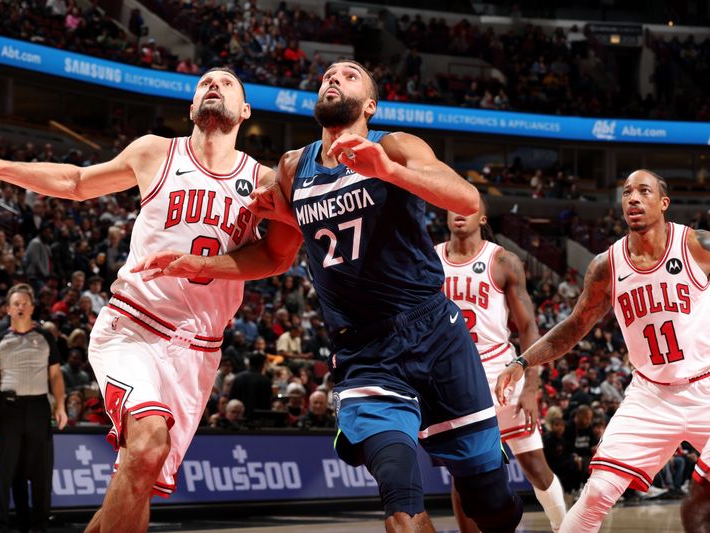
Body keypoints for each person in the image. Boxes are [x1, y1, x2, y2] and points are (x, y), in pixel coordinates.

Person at [136, 60, 522, 533]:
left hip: (435, 334)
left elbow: (466, 200)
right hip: (366, 353)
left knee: (490, 502)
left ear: (372, 105)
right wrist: (204, 265)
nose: (334, 79)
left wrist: (387, 170)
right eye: (327, 76)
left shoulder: (395, 146)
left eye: (351, 74)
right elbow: (275, 256)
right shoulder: (294, 167)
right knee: (400, 505)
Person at [0, 68, 300, 533]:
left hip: (198, 350)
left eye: (227, 83)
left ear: (246, 111)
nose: (214, 85)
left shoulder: (263, 180)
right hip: (133, 325)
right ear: (191, 108)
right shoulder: (155, 151)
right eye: (204, 83)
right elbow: (76, 182)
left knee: (138, 479)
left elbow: (277, 259)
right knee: (149, 445)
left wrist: (206, 265)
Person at [496, 170, 710, 533]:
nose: (633, 198)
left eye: (644, 191)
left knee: (700, 504)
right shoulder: (606, 266)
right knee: (596, 494)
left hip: (706, 385)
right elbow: (575, 326)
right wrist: (522, 360)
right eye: (627, 192)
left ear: (664, 203)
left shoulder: (695, 245)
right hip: (650, 395)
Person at [436, 199, 567, 532]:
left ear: (482, 217)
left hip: (502, 373)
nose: (459, 211)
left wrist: (533, 386)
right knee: (462, 468)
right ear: (445, 214)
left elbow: (528, 328)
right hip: (455, 377)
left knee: (535, 464)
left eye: (467, 205)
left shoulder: (504, 260)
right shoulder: (429, 259)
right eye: (452, 205)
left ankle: (564, 526)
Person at [0, 284, 67, 533]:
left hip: (39, 408)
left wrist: (60, 405)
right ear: (8, 309)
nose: (20, 307)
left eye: (24, 303)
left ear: (32, 307)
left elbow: (56, 376)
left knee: (41, 471)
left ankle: (39, 525)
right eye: (15, 304)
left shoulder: (46, 337)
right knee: (3, 471)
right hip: (8, 409)